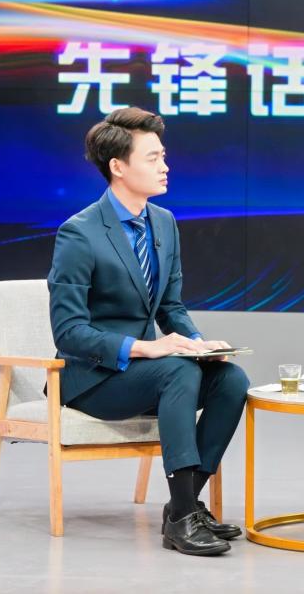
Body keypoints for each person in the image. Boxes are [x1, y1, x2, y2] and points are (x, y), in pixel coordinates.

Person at [48, 107, 248, 556]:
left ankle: (184, 505)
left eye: (164, 156)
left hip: (148, 373)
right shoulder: (78, 234)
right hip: (94, 379)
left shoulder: (164, 223)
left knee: (230, 379)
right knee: (177, 371)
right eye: (153, 158)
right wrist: (146, 348)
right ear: (118, 167)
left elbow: (171, 306)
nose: (165, 166)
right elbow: (68, 332)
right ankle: (182, 519)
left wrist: (198, 346)